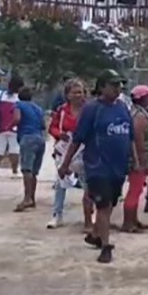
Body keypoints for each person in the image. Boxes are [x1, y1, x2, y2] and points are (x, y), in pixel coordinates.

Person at [58, 70, 134, 264]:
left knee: (109, 205)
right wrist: (65, 164)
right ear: (102, 87)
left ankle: (97, 235)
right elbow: (77, 139)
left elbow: (130, 136)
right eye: (113, 85)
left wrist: (136, 159)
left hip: (119, 167)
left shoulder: (123, 108)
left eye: (120, 85)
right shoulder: (92, 109)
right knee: (102, 205)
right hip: (98, 165)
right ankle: (106, 246)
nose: (118, 89)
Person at [48, 78, 91, 230]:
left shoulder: (89, 110)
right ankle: (57, 214)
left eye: (80, 92)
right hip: (64, 148)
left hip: (84, 149)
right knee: (61, 182)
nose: (78, 95)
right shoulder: (61, 111)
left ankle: (89, 216)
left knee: (88, 183)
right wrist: (60, 134)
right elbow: (51, 128)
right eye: (75, 92)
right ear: (68, 95)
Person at [123, 85, 148, 233]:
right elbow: (139, 139)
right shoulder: (139, 116)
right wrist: (143, 159)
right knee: (135, 190)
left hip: (141, 157)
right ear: (143, 98)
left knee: (137, 190)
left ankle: (133, 220)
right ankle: (128, 223)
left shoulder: (139, 113)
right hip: (139, 159)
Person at [12, 87, 46, 212]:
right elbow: (43, 125)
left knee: (27, 169)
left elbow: (17, 119)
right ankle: (32, 198)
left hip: (27, 138)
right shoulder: (38, 108)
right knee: (34, 172)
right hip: (40, 139)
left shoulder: (18, 105)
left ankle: (27, 198)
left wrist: (10, 126)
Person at [0, 75, 24, 175]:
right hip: (15, 126)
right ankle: (14, 170)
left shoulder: (0, 94)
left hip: (0, 126)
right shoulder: (21, 97)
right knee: (14, 148)